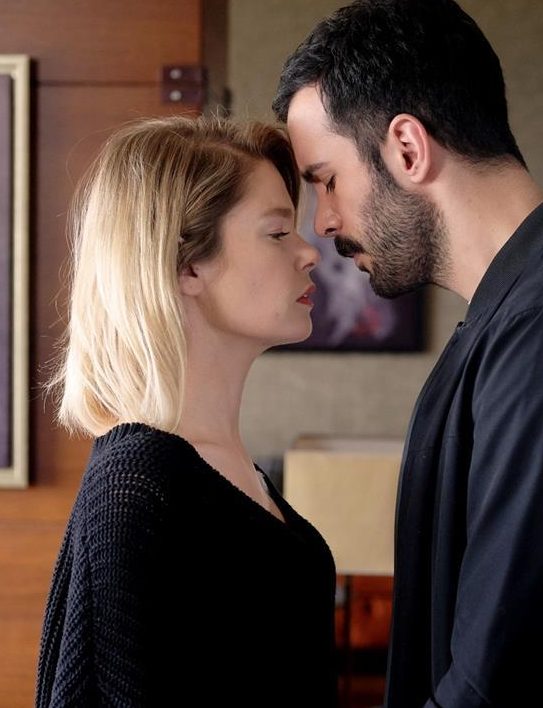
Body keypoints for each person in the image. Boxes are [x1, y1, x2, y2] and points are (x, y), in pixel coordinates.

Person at [273, 0, 543, 705]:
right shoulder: (531, 315)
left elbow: (507, 679)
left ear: (407, 149)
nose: (323, 222)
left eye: (327, 180)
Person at [36, 116, 338, 707]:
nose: (309, 253)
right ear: (187, 265)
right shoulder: (137, 483)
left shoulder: (231, 470)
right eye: (278, 233)